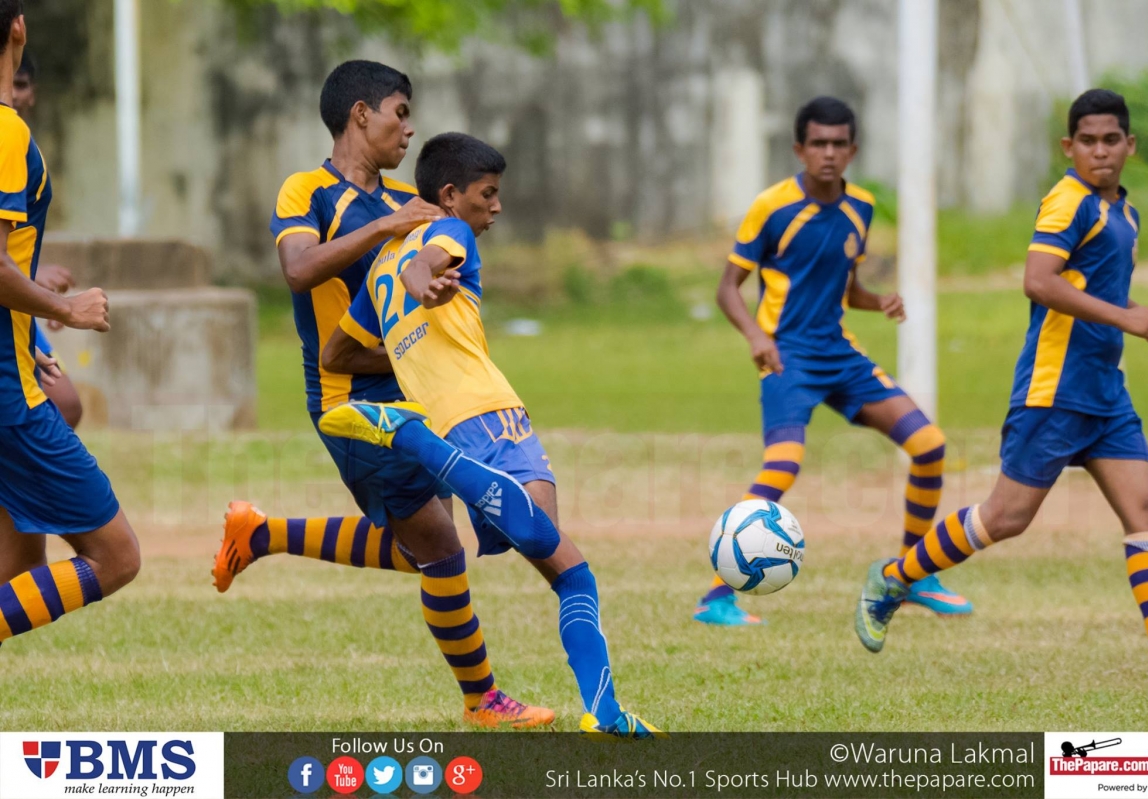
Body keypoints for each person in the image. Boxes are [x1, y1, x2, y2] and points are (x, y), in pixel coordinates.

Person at [210, 61, 552, 728]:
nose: (409, 127)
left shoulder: (408, 202)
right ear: (360, 114)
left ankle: (262, 533)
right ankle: (482, 699)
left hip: (416, 396)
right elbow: (297, 269)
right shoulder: (306, 190)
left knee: (415, 546)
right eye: (400, 112)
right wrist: (383, 230)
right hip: (351, 401)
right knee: (441, 552)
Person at [320, 132, 664, 738]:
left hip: (444, 417)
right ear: (451, 194)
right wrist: (423, 284)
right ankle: (410, 440)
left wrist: (402, 342)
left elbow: (336, 354)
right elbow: (426, 265)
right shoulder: (449, 232)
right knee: (570, 569)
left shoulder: (380, 265)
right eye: (488, 194)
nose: (496, 207)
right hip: (488, 412)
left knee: (553, 555)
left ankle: (605, 711)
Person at [854, 89, 1148, 691]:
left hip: (1104, 394)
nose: (1099, 151)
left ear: (1129, 145)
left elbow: (1096, 289)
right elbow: (1038, 281)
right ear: (1069, 147)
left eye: (1110, 140)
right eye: (1087, 141)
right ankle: (893, 578)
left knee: (1147, 510)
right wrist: (1126, 319)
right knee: (1006, 517)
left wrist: (1145, 321)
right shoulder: (1067, 202)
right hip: (1054, 390)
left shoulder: (1125, 214)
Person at [694, 96, 970, 627]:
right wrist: (755, 335)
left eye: (838, 144)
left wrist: (877, 301)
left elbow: (844, 285)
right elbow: (728, 288)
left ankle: (910, 577)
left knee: (930, 447)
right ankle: (716, 597)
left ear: (853, 150)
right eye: (818, 143)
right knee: (783, 465)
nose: (828, 153)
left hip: (840, 355)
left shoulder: (860, 207)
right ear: (799, 149)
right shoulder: (773, 207)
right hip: (786, 357)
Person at [0, 0, 140, 643]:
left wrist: (22, 335)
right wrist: (64, 309)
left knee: (16, 570)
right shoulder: (6, 131)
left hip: (13, 366)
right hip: (10, 399)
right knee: (116, 556)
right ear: (18, 28)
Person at [13, 48, 83, 428]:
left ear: (33, 93)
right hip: (10, 289)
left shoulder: (23, 146)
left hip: (14, 295)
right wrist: (57, 305)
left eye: (22, 84)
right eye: (8, 83)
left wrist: (34, 283)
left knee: (66, 406)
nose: (14, 93)